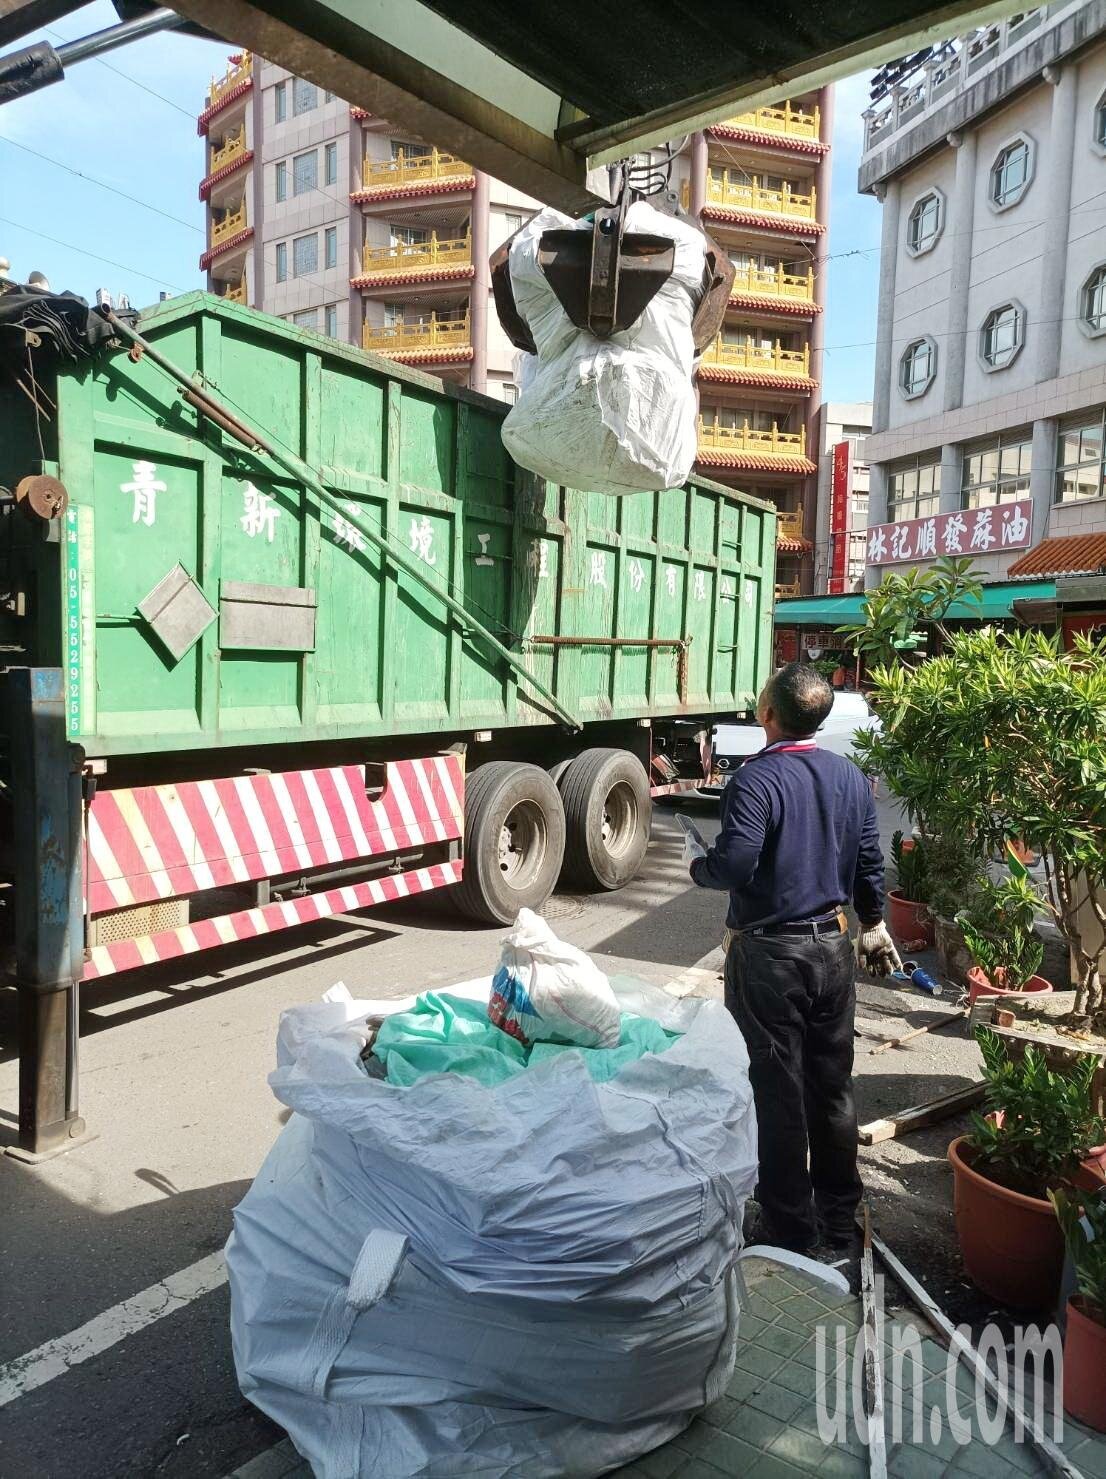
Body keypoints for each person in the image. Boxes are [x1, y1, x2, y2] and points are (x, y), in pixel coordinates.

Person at [684, 662, 900, 1255]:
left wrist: (699, 865)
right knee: (831, 1088)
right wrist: (874, 924)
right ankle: (839, 1220)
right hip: (832, 950)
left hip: (770, 958)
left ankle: (789, 1229)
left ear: (767, 713)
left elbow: (734, 866)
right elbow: (868, 861)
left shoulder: (755, 780)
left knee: (776, 1094)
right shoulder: (850, 776)